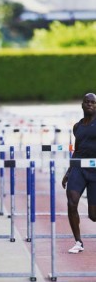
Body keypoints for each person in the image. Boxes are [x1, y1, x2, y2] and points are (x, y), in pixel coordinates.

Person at [62, 92, 96, 254]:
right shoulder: (77, 126)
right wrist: (69, 171)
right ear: (82, 105)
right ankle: (78, 242)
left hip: (95, 171)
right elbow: (77, 150)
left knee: (93, 215)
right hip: (78, 169)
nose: (90, 104)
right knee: (71, 202)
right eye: (87, 102)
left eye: (93, 103)